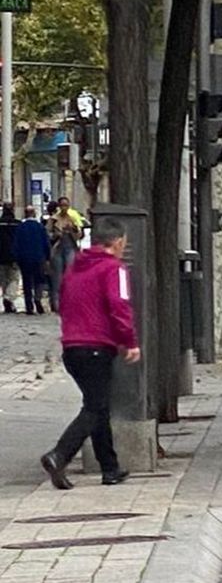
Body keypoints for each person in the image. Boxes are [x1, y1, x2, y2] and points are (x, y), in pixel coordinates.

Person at [39, 216, 141, 490]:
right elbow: (119, 306)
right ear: (118, 242)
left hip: (72, 347)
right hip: (96, 346)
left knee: (98, 404)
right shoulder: (114, 269)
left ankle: (109, 467)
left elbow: (64, 301)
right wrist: (129, 341)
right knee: (95, 407)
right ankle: (59, 454)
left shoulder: (76, 268)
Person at [15, 206, 51, 314]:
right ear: (34, 214)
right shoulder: (40, 227)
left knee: (27, 282)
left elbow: (16, 244)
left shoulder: (20, 227)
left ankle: (29, 306)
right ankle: (37, 299)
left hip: (24, 258)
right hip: (38, 257)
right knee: (39, 280)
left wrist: (17, 258)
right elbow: (46, 243)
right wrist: (47, 257)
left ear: (25, 214)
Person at [0, 203, 18, 313]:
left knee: (3, 279)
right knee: (14, 278)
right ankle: (9, 297)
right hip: (13, 255)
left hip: (0, 255)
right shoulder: (17, 224)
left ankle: (8, 301)